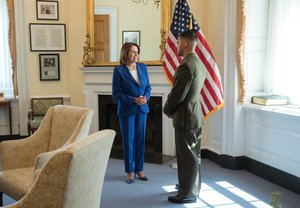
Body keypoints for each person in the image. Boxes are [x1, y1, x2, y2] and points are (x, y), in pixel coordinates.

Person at [163, 30, 206, 203]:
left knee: (187, 156)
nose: (177, 45)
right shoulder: (198, 63)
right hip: (194, 114)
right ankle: (191, 187)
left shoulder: (186, 65)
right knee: (193, 155)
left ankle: (186, 194)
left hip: (185, 117)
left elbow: (177, 94)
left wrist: (166, 109)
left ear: (186, 44)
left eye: (179, 42)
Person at [112, 42, 151, 184]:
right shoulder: (119, 70)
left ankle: (139, 169)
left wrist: (145, 97)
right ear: (125, 53)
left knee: (141, 139)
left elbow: (148, 87)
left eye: (137, 52)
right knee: (128, 140)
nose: (136, 54)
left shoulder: (143, 67)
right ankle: (129, 171)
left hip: (142, 109)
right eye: (133, 52)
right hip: (127, 110)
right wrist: (134, 99)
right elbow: (116, 93)